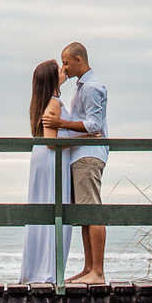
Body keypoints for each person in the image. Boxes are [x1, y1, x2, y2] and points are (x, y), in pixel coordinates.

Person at [55, 41, 108, 284]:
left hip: (89, 155)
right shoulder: (82, 87)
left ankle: (97, 271)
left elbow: (94, 125)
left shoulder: (91, 87)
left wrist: (62, 125)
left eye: (66, 62)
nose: (63, 67)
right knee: (84, 213)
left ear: (79, 59)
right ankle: (89, 268)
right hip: (81, 154)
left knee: (92, 210)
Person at [18, 59, 73, 284]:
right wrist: (85, 140)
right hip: (52, 159)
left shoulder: (42, 102)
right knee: (56, 210)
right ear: (52, 78)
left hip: (42, 158)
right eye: (59, 69)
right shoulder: (54, 103)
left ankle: (38, 269)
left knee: (42, 210)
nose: (64, 70)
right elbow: (53, 143)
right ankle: (47, 271)